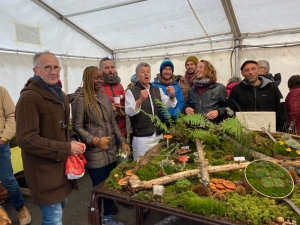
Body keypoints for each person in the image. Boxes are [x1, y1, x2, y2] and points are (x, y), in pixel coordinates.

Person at [15, 51, 84, 225]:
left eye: (56, 67)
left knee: (60, 208)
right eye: (47, 67)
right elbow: (26, 139)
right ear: (35, 70)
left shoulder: (60, 95)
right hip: (43, 172)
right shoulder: (29, 98)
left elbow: (62, 128)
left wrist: (72, 140)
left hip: (60, 168)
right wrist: (66, 148)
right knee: (53, 218)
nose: (53, 71)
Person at [70, 66, 130, 225]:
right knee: (99, 188)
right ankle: (99, 218)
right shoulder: (80, 99)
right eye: (96, 78)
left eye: (101, 78)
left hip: (110, 151)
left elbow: (112, 122)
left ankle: (108, 216)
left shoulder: (104, 97)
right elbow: (77, 126)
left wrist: (122, 141)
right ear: (87, 78)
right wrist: (94, 140)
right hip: (94, 153)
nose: (100, 80)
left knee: (110, 184)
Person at [125, 62, 177, 161]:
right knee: (142, 165)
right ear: (137, 76)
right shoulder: (131, 92)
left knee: (158, 162)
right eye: (143, 72)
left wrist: (171, 96)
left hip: (158, 135)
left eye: (148, 72)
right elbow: (129, 111)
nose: (146, 74)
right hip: (142, 138)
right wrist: (140, 100)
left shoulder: (157, 90)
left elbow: (167, 105)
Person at [228, 60, 288, 131]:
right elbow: (231, 111)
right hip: (245, 134)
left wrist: (283, 130)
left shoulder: (272, 87)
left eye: (253, 69)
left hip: (269, 132)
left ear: (258, 70)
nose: (250, 72)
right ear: (242, 73)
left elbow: (281, 110)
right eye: (246, 70)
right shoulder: (237, 90)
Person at [0, 86, 31, 225]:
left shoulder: (1, 91)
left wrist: (4, 137)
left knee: (8, 179)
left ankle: (20, 208)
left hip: (0, 144)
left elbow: (12, 115)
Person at [99, 57, 126, 137]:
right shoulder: (98, 87)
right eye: (106, 68)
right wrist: (108, 108)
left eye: (112, 67)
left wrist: (122, 107)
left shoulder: (120, 86)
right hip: (105, 134)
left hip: (121, 131)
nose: (110, 70)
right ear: (100, 70)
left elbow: (127, 106)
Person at [152, 59, 184, 124]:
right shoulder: (153, 85)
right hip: (159, 121)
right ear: (161, 71)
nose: (167, 71)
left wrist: (175, 114)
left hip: (174, 120)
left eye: (170, 69)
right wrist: (163, 115)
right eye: (165, 69)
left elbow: (181, 102)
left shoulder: (176, 85)